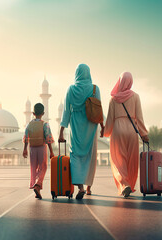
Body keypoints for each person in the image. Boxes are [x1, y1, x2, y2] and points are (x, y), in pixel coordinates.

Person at [59, 63, 104, 200]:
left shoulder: (71, 89)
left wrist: (61, 131)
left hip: (76, 125)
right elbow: (99, 109)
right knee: (89, 156)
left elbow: (66, 111)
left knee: (75, 155)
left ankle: (81, 188)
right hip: (91, 125)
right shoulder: (95, 89)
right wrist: (102, 126)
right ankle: (89, 186)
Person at [104, 72, 149, 198]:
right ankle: (129, 183)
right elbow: (139, 117)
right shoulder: (135, 97)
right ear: (130, 82)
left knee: (118, 160)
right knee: (131, 160)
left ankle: (124, 184)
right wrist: (144, 133)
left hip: (118, 130)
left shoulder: (113, 99)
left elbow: (110, 119)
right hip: (132, 130)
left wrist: (106, 132)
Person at [23, 103, 54, 199]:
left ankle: (36, 186)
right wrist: (51, 151)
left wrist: (25, 149)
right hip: (42, 148)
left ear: (33, 113)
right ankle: (38, 184)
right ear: (43, 113)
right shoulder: (45, 124)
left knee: (33, 168)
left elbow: (26, 137)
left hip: (32, 148)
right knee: (43, 167)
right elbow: (48, 138)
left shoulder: (29, 124)